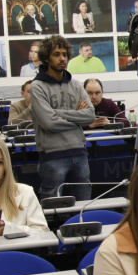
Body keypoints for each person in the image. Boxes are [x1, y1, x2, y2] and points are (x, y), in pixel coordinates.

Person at [30, 35, 95, 200]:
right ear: (46, 58)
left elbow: (89, 116)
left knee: (84, 203)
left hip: (79, 152)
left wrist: (57, 112)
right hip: (53, 154)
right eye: (57, 54)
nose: (62, 58)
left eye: (65, 54)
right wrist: (76, 115)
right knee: (53, 204)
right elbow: (49, 123)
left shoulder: (75, 84)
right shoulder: (37, 86)